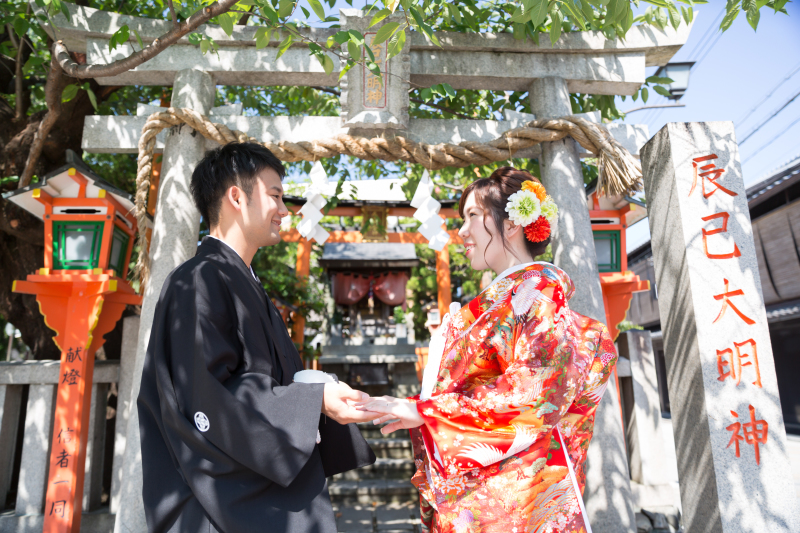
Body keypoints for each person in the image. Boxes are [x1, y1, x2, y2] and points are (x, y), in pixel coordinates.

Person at [357, 167, 619, 533]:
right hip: (487, 493)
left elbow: (531, 398)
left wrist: (428, 411)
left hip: (515, 499)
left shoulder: (538, 295)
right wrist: (425, 410)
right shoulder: (506, 301)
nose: (462, 231)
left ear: (512, 223)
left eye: (473, 217)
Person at [137, 142, 380, 533]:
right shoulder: (197, 280)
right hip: (214, 509)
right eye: (276, 195)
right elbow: (210, 396)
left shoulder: (244, 283)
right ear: (237, 196)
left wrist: (316, 394)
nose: (285, 210)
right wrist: (312, 400)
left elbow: (264, 385)